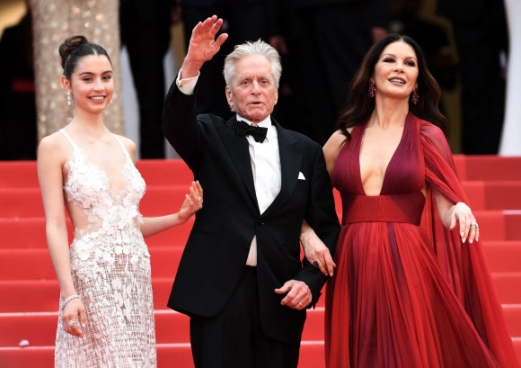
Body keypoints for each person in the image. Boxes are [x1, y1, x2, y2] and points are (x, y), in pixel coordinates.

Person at [321, 33, 520, 367]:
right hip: (351, 262)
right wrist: (307, 234)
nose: (399, 67)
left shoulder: (428, 135)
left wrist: (460, 206)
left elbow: (446, 205)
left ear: (416, 83)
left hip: (405, 258)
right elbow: (305, 197)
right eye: (390, 60)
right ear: (371, 75)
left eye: (409, 63)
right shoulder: (342, 139)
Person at [162, 16, 340, 368]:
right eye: (245, 82)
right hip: (218, 294)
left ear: (276, 91)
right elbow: (175, 123)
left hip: (280, 294)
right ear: (229, 95)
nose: (255, 89)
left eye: (264, 81)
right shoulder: (209, 135)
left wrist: (310, 281)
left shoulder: (305, 150)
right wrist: (192, 64)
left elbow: (328, 228)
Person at [37, 35, 203, 367]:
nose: (99, 87)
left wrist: (178, 217)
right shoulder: (55, 146)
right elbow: (55, 224)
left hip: (135, 275)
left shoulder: (126, 146)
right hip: (90, 277)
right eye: (87, 78)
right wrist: (69, 294)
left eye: (106, 77)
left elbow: (130, 224)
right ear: (65, 83)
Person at [119, 0, 175, 158]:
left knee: (151, 95)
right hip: (94, 11)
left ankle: (153, 166)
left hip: (148, 9)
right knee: (89, 81)